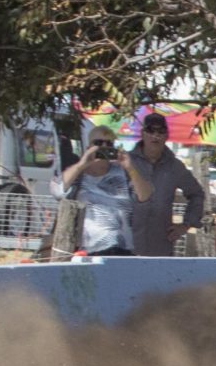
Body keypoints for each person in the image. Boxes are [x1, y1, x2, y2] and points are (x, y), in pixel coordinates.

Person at [53, 123, 151, 258]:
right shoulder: (78, 174)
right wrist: (82, 164)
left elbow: (145, 196)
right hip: (88, 251)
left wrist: (130, 168)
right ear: (89, 147)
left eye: (109, 144)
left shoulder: (123, 173)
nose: (104, 147)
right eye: (98, 143)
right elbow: (57, 191)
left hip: (123, 250)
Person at [123, 110, 206, 257]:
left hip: (160, 246)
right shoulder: (127, 162)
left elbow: (197, 194)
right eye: (150, 130)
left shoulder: (175, 167)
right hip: (126, 245)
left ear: (167, 136)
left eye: (161, 131)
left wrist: (186, 225)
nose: (155, 136)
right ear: (143, 134)